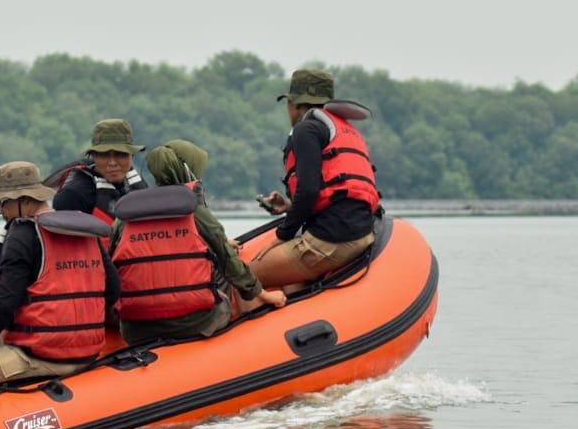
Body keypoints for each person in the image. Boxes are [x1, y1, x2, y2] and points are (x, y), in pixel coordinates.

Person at [0, 162, 121, 399]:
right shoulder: (84, 230)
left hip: (41, 356)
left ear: (24, 200)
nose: (2, 212)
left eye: (3, 203)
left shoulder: (23, 233)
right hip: (88, 351)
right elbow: (113, 288)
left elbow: (5, 300)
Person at [111, 140, 286, 345]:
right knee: (228, 273)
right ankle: (250, 344)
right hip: (196, 323)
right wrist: (264, 295)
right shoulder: (195, 211)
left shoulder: (125, 217)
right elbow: (229, 261)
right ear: (188, 172)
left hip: (135, 330)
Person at [250, 68, 381, 288]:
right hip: (363, 234)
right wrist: (291, 206)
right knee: (288, 282)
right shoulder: (343, 129)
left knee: (246, 276)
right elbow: (336, 196)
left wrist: (282, 236)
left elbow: (309, 190)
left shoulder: (306, 129)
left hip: (331, 241)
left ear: (295, 104)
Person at [53, 118, 148, 229]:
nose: (112, 163)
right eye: (104, 155)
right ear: (94, 156)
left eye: (120, 154)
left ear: (131, 156)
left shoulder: (138, 187)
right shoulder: (74, 194)